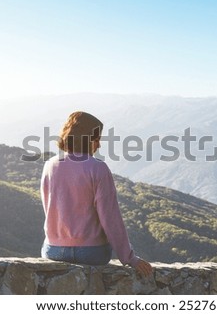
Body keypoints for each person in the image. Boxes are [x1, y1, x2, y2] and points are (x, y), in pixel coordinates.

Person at [40, 111, 153, 277]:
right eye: (97, 139)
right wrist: (129, 258)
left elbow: (49, 208)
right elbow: (110, 217)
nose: (98, 145)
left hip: (54, 250)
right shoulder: (98, 168)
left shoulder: (50, 165)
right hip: (91, 253)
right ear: (87, 139)